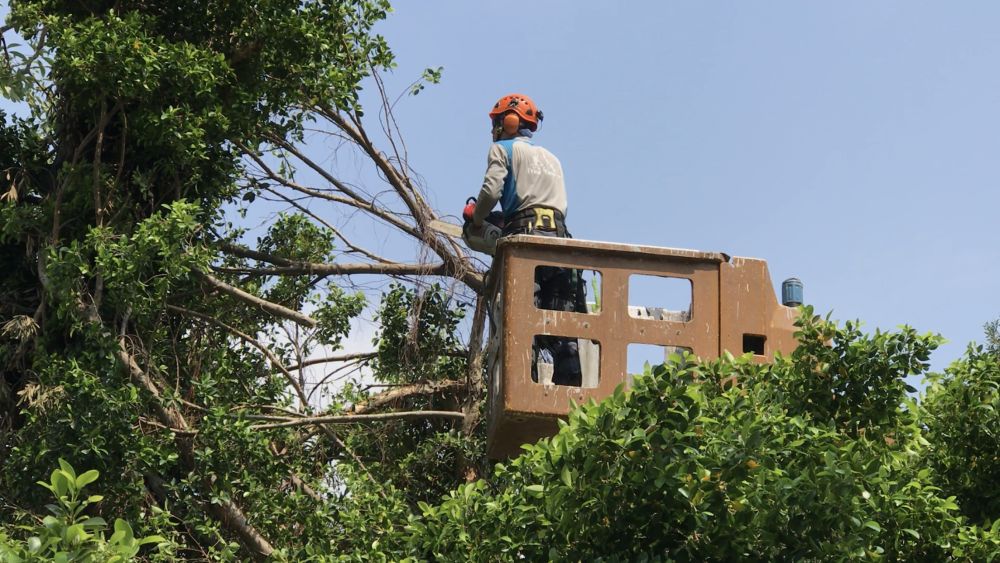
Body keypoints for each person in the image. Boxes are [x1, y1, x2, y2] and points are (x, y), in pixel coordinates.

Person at [468, 93, 587, 386]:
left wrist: (478, 216)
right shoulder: (553, 159)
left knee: (522, 318)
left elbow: (492, 191)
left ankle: (523, 383)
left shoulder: (501, 149)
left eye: (498, 122)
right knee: (562, 322)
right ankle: (569, 389)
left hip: (525, 239)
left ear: (509, 121)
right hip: (560, 243)